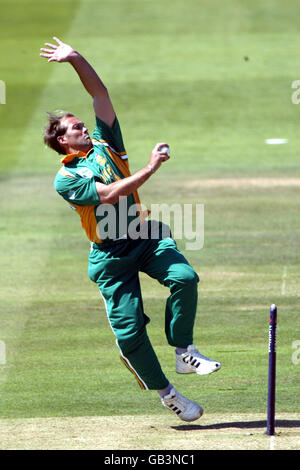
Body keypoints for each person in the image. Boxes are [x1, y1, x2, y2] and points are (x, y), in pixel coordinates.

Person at [40, 37, 221, 422]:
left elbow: (99, 93)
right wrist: (150, 168)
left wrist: (75, 58)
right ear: (62, 140)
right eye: (75, 127)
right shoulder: (66, 178)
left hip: (144, 237)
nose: (83, 127)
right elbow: (107, 195)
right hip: (110, 256)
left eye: (82, 123)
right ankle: (168, 394)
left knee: (185, 277)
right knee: (129, 333)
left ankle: (184, 350)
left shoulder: (107, 144)